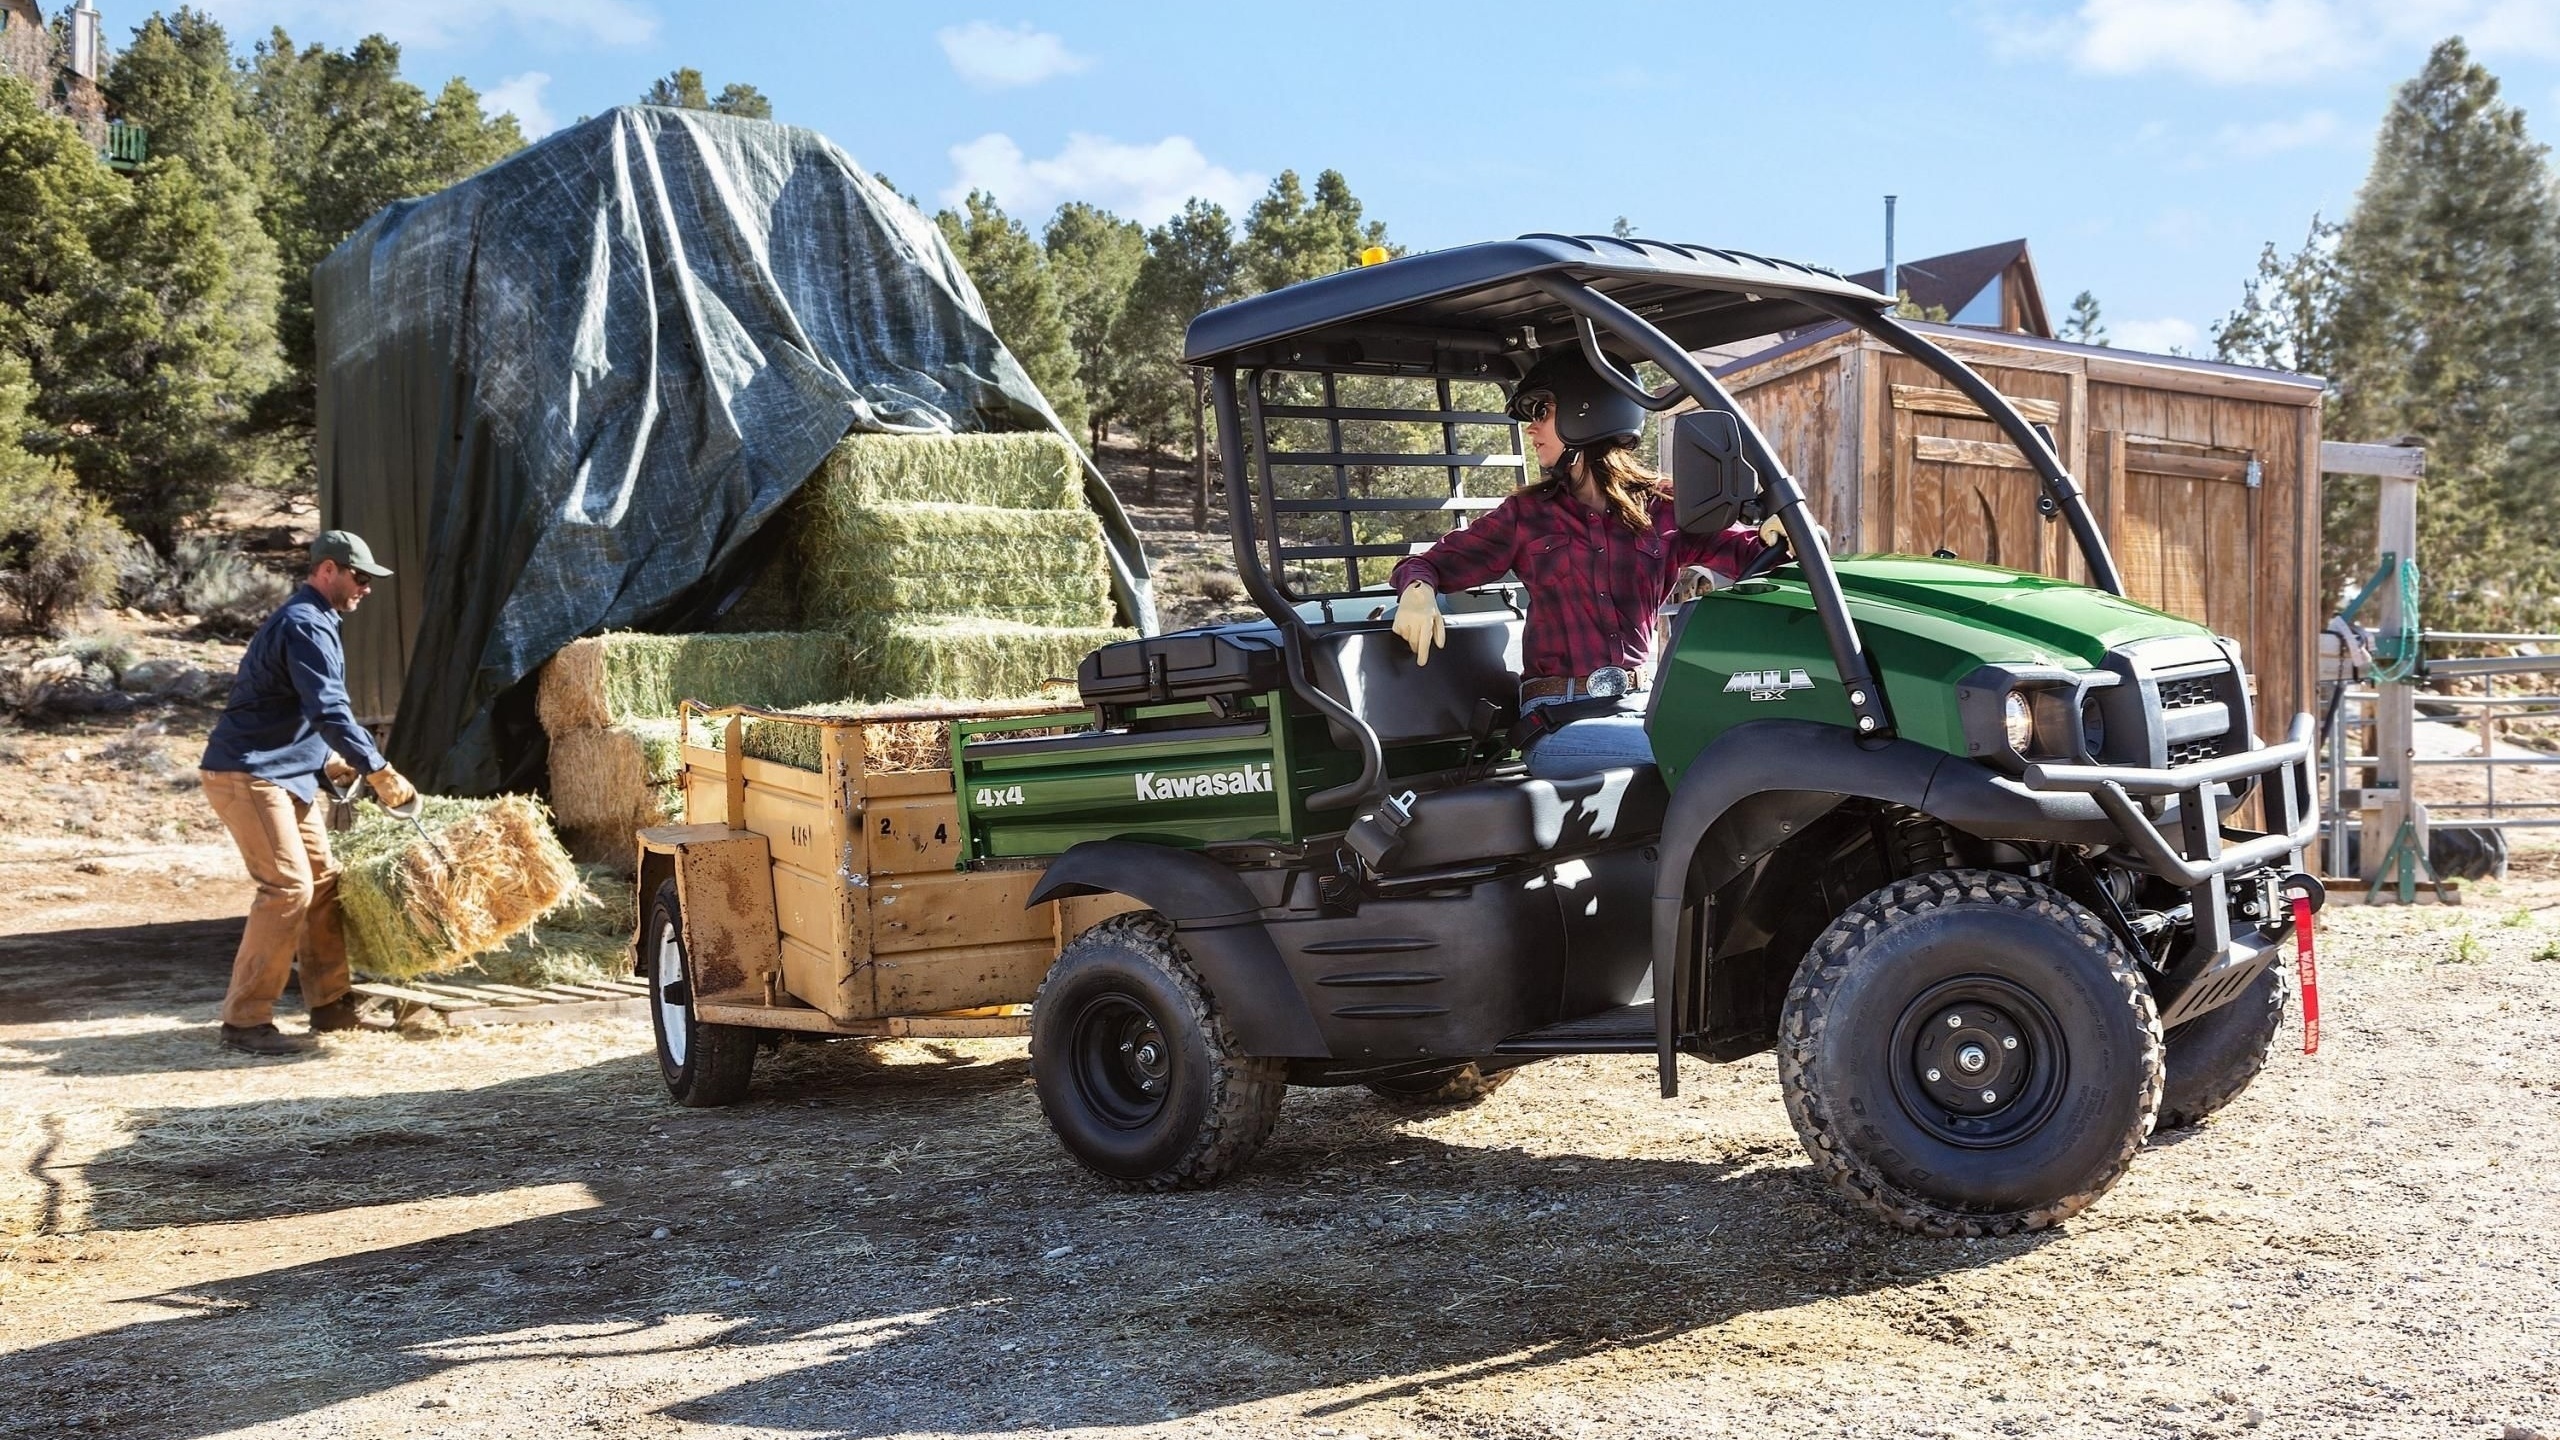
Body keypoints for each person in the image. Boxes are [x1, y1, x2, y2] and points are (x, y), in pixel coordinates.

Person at [1388, 349, 1770, 781]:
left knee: (1753, 742)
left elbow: (1752, 557)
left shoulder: (1665, 507)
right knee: (1707, 755)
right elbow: (1428, 564)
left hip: (1643, 707)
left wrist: (1782, 532)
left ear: (1587, 411)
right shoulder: (1526, 515)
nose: (1531, 428)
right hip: (1558, 721)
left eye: (1542, 411)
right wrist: (1417, 591)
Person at [198, 531, 418, 1055]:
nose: (366, 588)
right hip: (249, 774)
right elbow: (329, 711)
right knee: (287, 888)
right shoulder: (304, 622)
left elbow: (291, 710)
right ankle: (244, 1023)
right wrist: (378, 768)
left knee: (322, 883)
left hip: (283, 774)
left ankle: (331, 1006)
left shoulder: (317, 621)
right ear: (327, 570)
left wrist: (326, 762)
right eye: (359, 577)